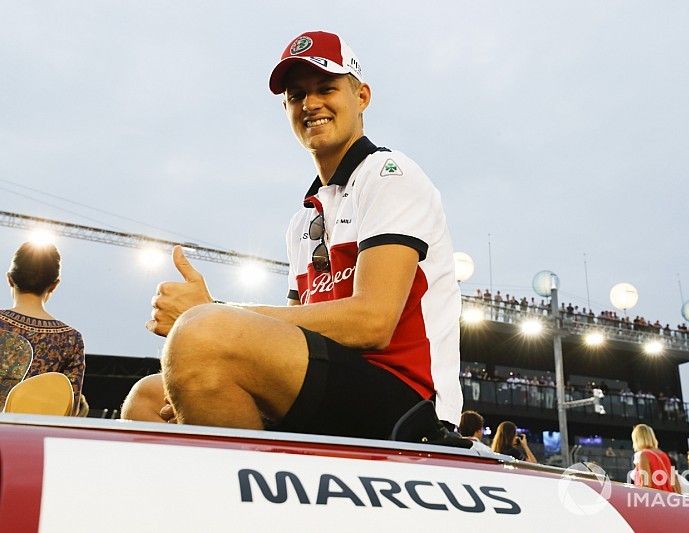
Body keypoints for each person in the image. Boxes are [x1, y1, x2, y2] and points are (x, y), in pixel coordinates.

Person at [121, 31, 462, 440]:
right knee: (146, 398)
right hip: (332, 389)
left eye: (326, 88)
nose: (311, 104)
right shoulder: (302, 221)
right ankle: (230, 497)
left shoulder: (390, 174)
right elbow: (290, 330)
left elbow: (373, 322)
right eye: (297, 95)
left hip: (410, 402)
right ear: (286, 108)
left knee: (203, 335)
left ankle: (245, 493)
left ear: (362, 97)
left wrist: (213, 311)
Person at [0, 242, 85, 414]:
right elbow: (70, 409)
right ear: (54, 284)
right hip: (26, 438)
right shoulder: (71, 339)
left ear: (10, 278)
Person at [630, 424, 679, 493]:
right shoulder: (663, 454)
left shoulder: (644, 455)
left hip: (654, 498)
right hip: (668, 497)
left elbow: (646, 484)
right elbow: (674, 480)